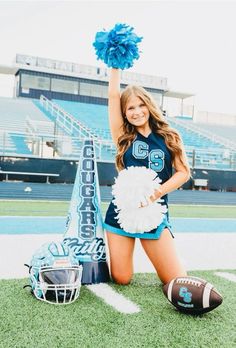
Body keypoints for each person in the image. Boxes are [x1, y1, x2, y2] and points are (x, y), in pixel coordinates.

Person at [103, 68, 191, 285]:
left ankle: (173, 258)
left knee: (176, 281)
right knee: (121, 278)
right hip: (122, 211)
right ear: (124, 112)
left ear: (150, 106)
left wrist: (156, 192)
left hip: (154, 210)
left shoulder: (169, 136)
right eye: (130, 108)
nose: (137, 111)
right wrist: (115, 66)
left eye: (141, 105)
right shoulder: (122, 135)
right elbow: (113, 96)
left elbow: (183, 173)